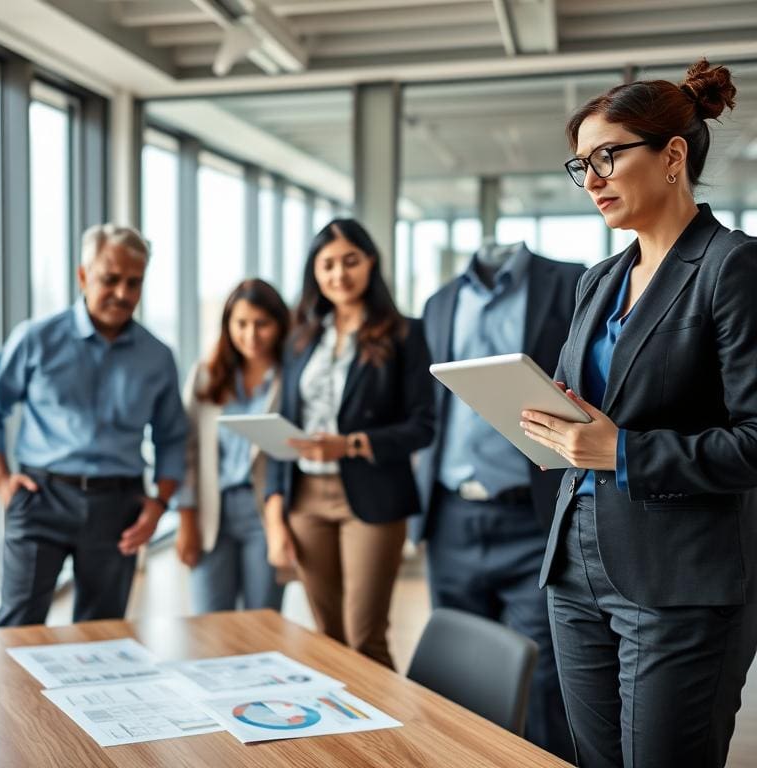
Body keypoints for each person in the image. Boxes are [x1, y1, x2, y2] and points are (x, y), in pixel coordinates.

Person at [521, 59, 757, 768]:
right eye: (581, 165)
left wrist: (621, 452)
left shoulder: (732, 268)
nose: (590, 179)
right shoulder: (599, 280)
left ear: (673, 155)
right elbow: (588, 407)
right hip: (577, 564)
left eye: (606, 157)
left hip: (679, 579)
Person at [0, 224, 187, 626]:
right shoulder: (35, 339)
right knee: (17, 628)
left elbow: (173, 437)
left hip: (118, 507)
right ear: (83, 275)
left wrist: (159, 504)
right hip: (41, 498)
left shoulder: (157, 357)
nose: (122, 293)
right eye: (110, 279)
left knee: (101, 637)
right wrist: (2, 482)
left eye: (134, 283)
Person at [412, 238, 581, 760]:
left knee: (546, 679)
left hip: (533, 517)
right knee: (457, 676)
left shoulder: (570, 281)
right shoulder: (438, 303)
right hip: (452, 518)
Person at [263, 218, 434, 669]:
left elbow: (423, 426)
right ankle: (341, 738)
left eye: (350, 261)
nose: (339, 274)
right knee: (328, 638)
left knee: (364, 637)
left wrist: (351, 444)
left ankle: (385, 741)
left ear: (370, 264)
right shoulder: (300, 339)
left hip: (373, 497)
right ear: (314, 273)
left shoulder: (405, 334)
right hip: (306, 500)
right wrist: (276, 511)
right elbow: (284, 424)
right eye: (328, 265)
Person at [175, 279, 291, 613]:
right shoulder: (204, 377)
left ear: (280, 325)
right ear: (227, 326)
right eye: (241, 324)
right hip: (212, 512)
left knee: (262, 624)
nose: (251, 335)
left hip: (264, 514)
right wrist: (186, 519)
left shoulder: (290, 379)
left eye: (262, 324)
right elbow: (187, 453)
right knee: (208, 625)